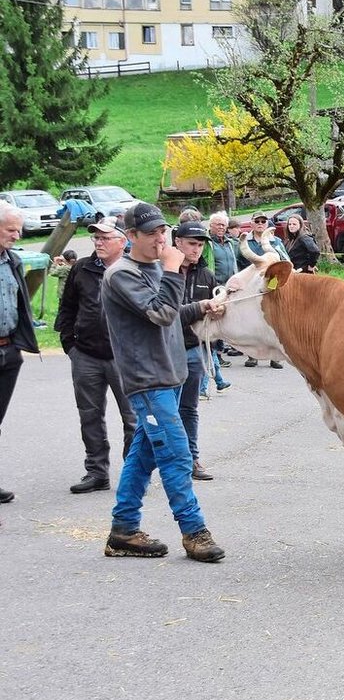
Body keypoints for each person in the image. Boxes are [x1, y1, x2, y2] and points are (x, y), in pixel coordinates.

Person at [99, 202, 226, 562]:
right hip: (148, 381)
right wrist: (173, 270)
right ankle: (194, 532)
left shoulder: (155, 268)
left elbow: (170, 316)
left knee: (142, 457)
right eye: (151, 233)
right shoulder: (120, 274)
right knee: (176, 454)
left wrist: (201, 307)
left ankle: (123, 530)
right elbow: (160, 313)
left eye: (161, 231)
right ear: (131, 236)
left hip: (168, 376)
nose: (160, 238)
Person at [54, 217, 137, 494]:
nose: (98, 242)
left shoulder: (134, 269)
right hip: (86, 355)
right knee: (90, 415)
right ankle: (97, 472)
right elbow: (67, 309)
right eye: (96, 238)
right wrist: (71, 346)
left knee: (133, 418)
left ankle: (133, 473)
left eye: (104, 238)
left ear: (122, 241)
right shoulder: (82, 268)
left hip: (124, 358)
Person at [0, 205, 40, 509]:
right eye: (11, 229)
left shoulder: (11, 260)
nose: (18, 235)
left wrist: (17, 345)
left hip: (8, 349)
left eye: (18, 229)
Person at [173, 221, 219, 481]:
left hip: (194, 349)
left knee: (189, 408)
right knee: (163, 409)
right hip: (164, 350)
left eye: (200, 245)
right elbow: (168, 315)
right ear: (177, 242)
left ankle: (192, 459)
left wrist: (218, 308)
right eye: (192, 243)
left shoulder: (206, 275)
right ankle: (164, 460)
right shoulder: (164, 270)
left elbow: (216, 307)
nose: (197, 250)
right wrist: (200, 307)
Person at [242, 214, 288, 369]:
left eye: (263, 221)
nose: (261, 224)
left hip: (273, 286)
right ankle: (252, 356)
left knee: (274, 322)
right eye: (257, 221)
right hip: (251, 286)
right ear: (252, 224)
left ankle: (275, 357)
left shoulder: (276, 241)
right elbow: (239, 264)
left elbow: (285, 260)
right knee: (252, 321)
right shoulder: (244, 241)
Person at [206, 211, 238, 364]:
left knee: (225, 319)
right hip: (215, 286)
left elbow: (234, 263)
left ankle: (219, 351)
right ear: (210, 225)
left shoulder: (229, 243)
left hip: (229, 287)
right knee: (214, 320)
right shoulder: (208, 243)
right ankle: (215, 355)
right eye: (218, 224)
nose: (221, 227)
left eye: (224, 225)